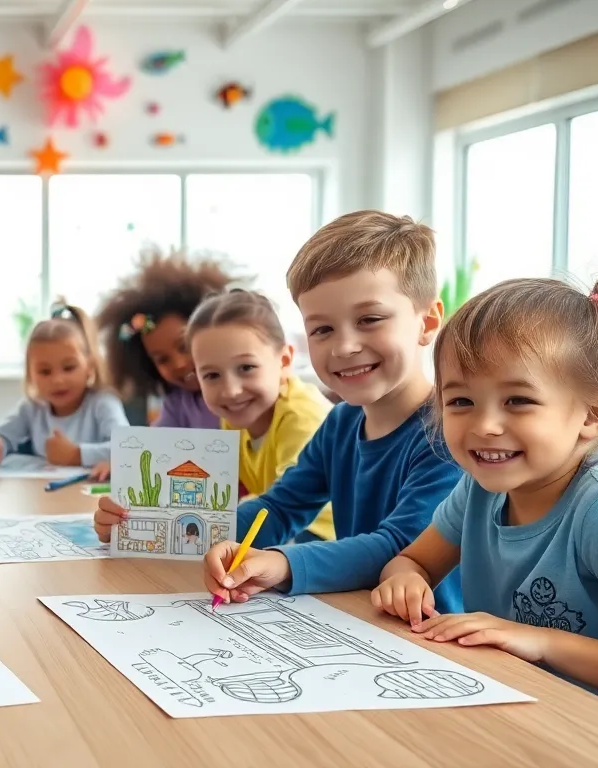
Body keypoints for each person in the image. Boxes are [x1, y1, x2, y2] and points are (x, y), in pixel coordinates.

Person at [96, 211, 464, 614]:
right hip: (366, 619)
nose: (343, 347)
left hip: (432, 640)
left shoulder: (448, 433)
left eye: (369, 320)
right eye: (322, 329)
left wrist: (285, 563)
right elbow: (283, 506)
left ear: (427, 322)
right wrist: (153, 525)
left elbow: (401, 546)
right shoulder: (342, 423)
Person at [373, 274, 598, 701]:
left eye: (518, 401)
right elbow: (412, 561)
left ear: (593, 414)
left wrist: (540, 642)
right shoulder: (478, 491)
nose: (485, 426)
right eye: (461, 402)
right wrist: (405, 582)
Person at [184, 289, 335, 539]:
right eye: (212, 375)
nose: (231, 391)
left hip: (324, 540)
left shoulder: (301, 415)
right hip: (277, 533)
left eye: (246, 368)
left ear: (284, 361)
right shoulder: (234, 417)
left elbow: (284, 506)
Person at [0, 302, 128, 477]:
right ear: (31, 376)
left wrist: (76, 455)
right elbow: (0, 437)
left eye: (69, 367)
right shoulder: (32, 408)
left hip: (90, 497)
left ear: (89, 367)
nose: (57, 380)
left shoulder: (102, 402)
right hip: (45, 496)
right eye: (45, 371)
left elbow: (127, 448)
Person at [96, 248, 233, 429]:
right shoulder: (176, 404)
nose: (178, 363)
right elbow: (155, 446)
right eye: (162, 359)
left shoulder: (240, 391)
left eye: (184, 346)